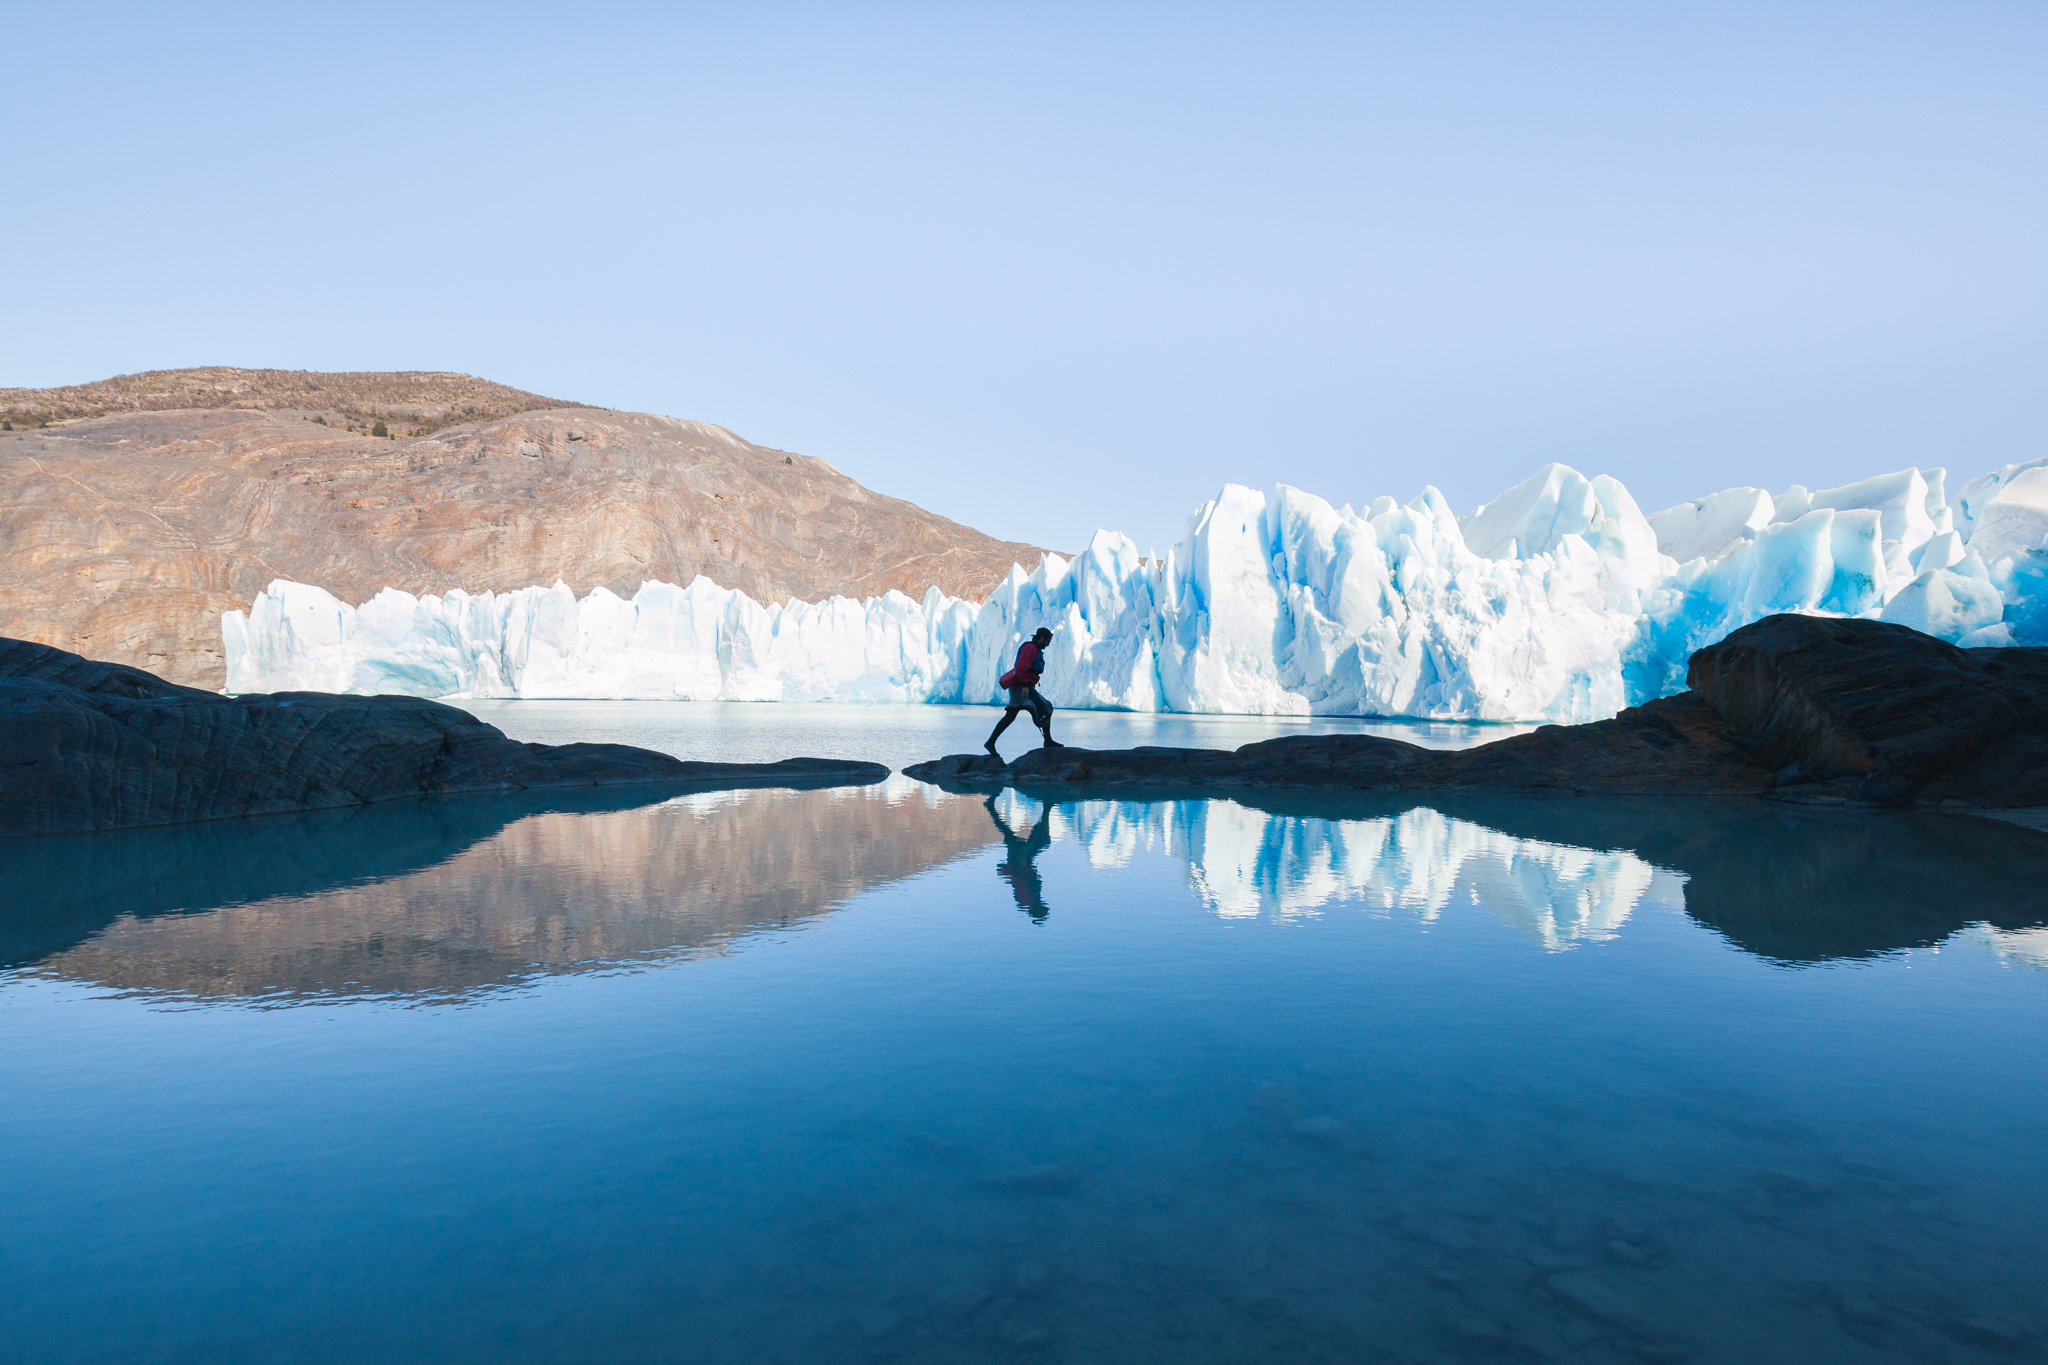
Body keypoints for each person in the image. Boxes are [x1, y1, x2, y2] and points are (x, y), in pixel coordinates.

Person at [986, 626, 1062, 755]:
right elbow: (1021, 668)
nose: (1048, 644)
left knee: (1038, 709)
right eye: (1048, 641)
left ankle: (991, 742)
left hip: (1024, 685)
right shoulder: (1030, 648)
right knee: (1044, 709)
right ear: (1042, 638)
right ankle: (1047, 740)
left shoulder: (1034, 648)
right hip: (1021, 686)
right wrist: (1025, 687)